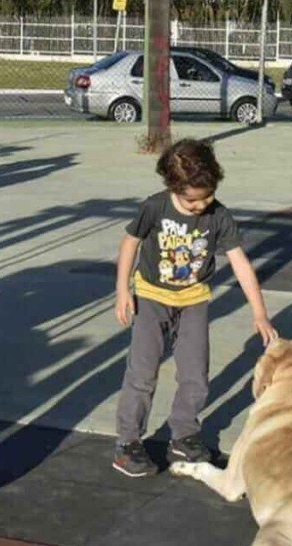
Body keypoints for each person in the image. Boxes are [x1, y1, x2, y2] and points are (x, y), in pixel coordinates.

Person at [111, 138, 279, 477]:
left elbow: (240, 262)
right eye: (193, 200)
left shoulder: (219, 216)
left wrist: (259, 311)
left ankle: (184, 435)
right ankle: (128, 443)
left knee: (195, 375)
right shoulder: (155, 208)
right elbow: (130, 243)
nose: (202, 204)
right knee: (143, 373)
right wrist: (122, 291)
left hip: (194, 300)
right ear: (173, 187)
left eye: (208, 196)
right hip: (151, 297)